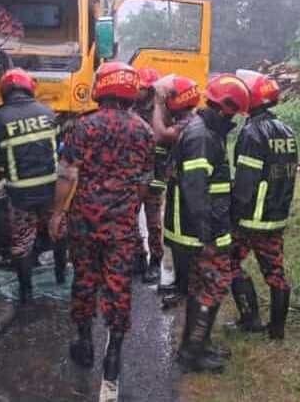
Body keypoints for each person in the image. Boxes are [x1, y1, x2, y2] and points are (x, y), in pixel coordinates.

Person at [48, 62, 154, 384]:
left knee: (85, 280)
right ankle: (114, 355)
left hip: (85, 222)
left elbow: (67, 174)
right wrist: (130, 207)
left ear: (102, 87)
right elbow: (144, 183)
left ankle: (84, 342)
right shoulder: (144, 131)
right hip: (121, 224)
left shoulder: (83, 127)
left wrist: (57, 212)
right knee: (119, 285)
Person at [167, 74, 250, 373]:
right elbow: (195, 190)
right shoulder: (202, 137)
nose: (234, 121)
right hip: (202, 232)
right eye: (234, 115)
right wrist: (208, 237)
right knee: (213, 287)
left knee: (200, 289)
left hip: (204, 228)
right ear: (225, 108)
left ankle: (197, 344)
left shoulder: (205, 131)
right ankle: (192, 354)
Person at [228, 71, 298, 340]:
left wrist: (233, 215)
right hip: (276, 216)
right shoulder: (287, 131)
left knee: (230, 263)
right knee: (275, 272)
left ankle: (250, 320)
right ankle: (277, 331)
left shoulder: (251, 132)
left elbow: (246, 183)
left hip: (250, 219)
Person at [0, 68, 58, 306]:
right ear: (29, 87)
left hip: (20, 194)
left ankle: (26, 293)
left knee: (22, 242)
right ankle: (62, 275)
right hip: (51, 190)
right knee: (58, 231)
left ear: (4, 91)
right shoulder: (48, 112)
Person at [151, 76, 202, 308]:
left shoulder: (188, 122)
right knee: (174, 238)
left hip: (187, 188)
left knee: (183, 241)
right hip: (178, 185)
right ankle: (180, 283)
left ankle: (185, 289)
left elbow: (160, 134)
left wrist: (158, 105)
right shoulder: (184, 118)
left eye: (170, 96)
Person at [133, 67, 163, 283]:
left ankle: (156, 262)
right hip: (133, 174)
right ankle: (138, 258)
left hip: (155, 175)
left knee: (154, 223)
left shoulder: (162, 111)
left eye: (143, 88)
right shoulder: (131, 107)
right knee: (130, 218)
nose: (139, 91)